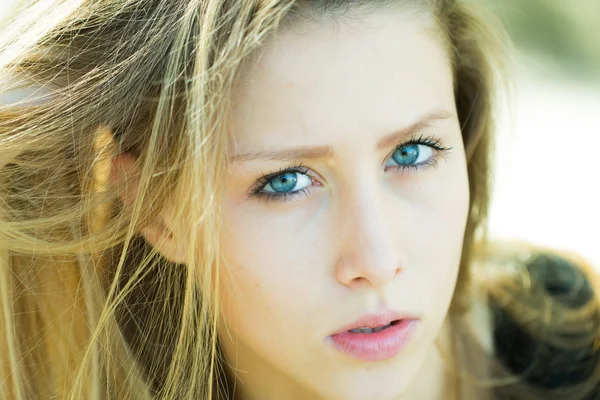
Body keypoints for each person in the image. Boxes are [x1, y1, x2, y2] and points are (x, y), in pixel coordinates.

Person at [0, 0, 598, 399]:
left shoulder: (576, 352)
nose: (376, 258)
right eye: (285, 181)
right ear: (157, 209)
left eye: (413, 153)